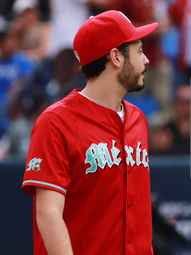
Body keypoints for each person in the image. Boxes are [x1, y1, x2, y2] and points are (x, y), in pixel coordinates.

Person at [22, 10, 158, 255]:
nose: (146, 60)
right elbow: (48, 213)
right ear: (116, 57)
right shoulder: (55, 122)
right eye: (139, 51)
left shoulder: (138, 119)